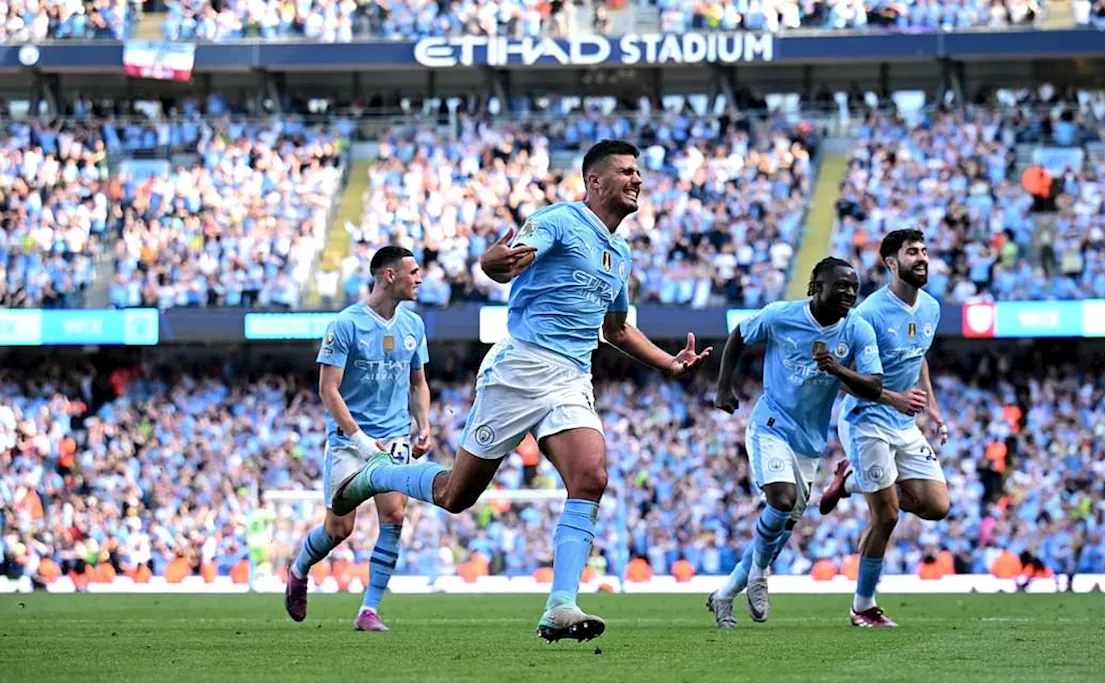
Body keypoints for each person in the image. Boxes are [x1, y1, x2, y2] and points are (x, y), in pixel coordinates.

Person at [328, 139, 712, 643]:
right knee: (455, 495)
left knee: (591, 476)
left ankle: (561, 605)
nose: (637, 180)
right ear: (594, 181)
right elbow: (506, 264)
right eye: (626, 172)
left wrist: (668, 362)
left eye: (639, 172)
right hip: (521, 368)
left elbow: (616, 329)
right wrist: (492, 264)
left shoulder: (620, 254)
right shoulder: (557, 221)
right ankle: (375, 474)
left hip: (572, 377)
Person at [709, 257, 917, 628]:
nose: (849, 293)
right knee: (781, 500)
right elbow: (739, 335)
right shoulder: (781, 316)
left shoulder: (857, 330)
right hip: (770, 424)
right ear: (815, 287)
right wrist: (724, 387)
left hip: (809, 441)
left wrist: (837, 368)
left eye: (853, 287)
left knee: (781, 528)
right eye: (840, 286)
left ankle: (724, 594)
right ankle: (758, 574)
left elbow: (873, 387)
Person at [284, 246, 431, 632]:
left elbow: (418, 383)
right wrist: (360, 438)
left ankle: (369, 609)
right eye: (413, 272)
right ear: (389, 276)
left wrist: (424, 423)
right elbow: (327, 390)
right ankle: (299, 569)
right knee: (339, 530)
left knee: (395, 516)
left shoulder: (413, 326)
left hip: (396, 436)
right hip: (350, 441)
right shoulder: (346, 324)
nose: (419, 278)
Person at [817, 228, 949, 628]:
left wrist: (934, 409)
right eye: (913, 252)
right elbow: (838, 374)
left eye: (925, 251)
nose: (922, 258)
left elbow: (918, 356)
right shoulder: (869, 314)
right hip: (866, 420)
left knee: (936, 506)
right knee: (886, 515)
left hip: (904, 423)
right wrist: (894, 398)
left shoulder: (931, 308)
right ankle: (863, 607)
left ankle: (851, 479)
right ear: (891, 262)